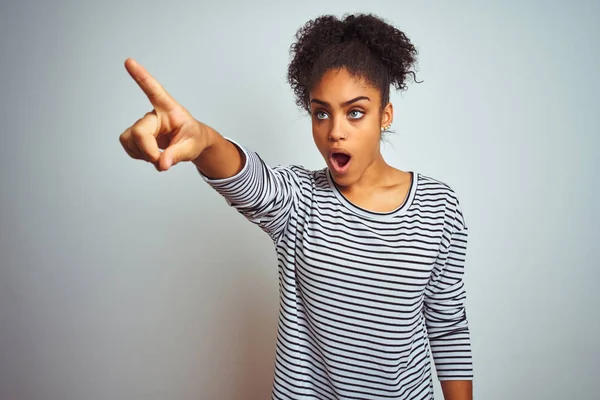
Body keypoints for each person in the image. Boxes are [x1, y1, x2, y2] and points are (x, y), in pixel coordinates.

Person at [119, 13, 473, 400]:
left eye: (355, 112)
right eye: (321, 112)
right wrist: (203, 140)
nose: (335, 130)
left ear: (384, 116)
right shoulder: (298, 200)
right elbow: (248, 179)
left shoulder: (438, 206)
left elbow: (446, 323)